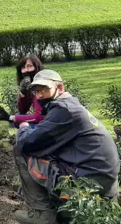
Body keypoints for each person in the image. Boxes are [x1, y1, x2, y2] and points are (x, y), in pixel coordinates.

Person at [13, 69, 120, 224]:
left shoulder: (64, 110)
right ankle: (62, 207)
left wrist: (23, 127)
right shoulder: (71, 107)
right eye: (37, 92)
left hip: (88, 183)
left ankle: (42, 214)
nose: (40, 95)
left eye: (44, 89)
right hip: (105, 182)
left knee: (20, 148)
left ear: (60, 88)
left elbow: (28, 143)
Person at [0, 55, 45, 128]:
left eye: (29, 66)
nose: (26, 70)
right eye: (23, 67)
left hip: (51, 124)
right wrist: (23, 93)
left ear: (37, 68)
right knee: (18, 119)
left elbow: (39, 117)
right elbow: (22, 110)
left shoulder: (43, 87)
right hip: (43, 121)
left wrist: (9, 117)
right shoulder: (30, 87)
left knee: (20, 123)